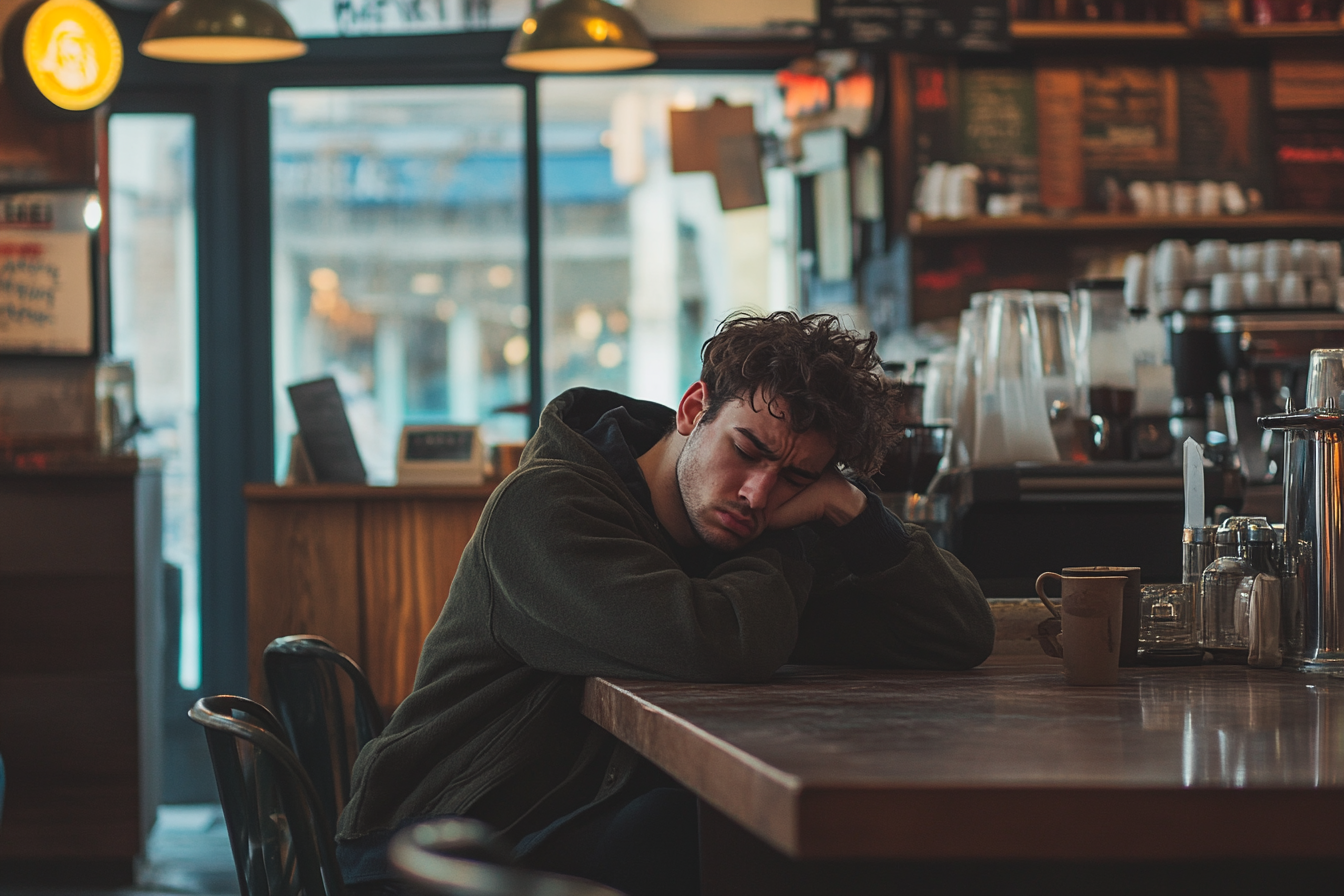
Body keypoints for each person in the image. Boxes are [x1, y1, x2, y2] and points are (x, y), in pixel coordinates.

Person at [336, 312, 994, 895]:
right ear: (692, 409)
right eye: (746, 450)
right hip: (437, 843)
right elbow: (726, 640)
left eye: (796, 477)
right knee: (688, 832)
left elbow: (959, 633)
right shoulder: (545, 509)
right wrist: (787, 536)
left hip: (570, 813)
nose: (759, 495)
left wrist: (851, 509)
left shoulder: (756, 531)